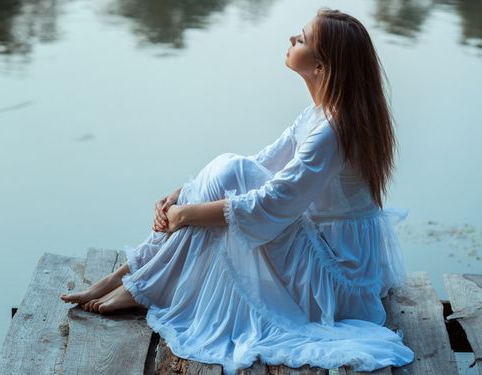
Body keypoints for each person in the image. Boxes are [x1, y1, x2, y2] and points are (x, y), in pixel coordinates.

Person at [61, 7, 415, 373]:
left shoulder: (332, 129)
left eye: (302, 39)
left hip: (336, 281)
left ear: (321, 68)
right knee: (230, 168)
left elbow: (277, 199)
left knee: (230, 172)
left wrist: (187, 214)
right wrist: (182, 194)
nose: (291, 39)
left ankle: (141, 282)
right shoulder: (321, 113)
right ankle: (133, 274)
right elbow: (263, 163)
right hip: (327, 251)